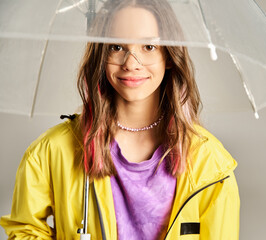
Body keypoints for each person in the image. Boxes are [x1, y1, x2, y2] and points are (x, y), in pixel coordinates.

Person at [0, 0, 240, 239]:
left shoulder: (210, 163)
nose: (131, 63)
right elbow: (25, 230)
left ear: (169, 55)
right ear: (100, 55)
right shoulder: (52, 151)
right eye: (116, 46)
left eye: (148, 47)